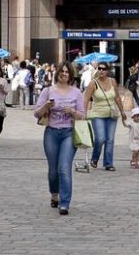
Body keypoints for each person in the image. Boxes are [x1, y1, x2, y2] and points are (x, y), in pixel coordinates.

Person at [35, 66, 86, 215]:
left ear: (70, 75)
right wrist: (46, 106)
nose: (64, 74)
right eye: (62, 71)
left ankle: (64, 203)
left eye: (67, 72)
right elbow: (36, 113)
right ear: (57, 74)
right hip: (51, 133)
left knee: (64, 168)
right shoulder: (47, 91)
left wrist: (72, 111)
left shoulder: (76, 93)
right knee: (53, 170)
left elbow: (82, 115)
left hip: (69, 133)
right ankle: (54, 194)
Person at [83, 63, 122, 171]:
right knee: (100, 139)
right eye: (99, 68)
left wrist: (122, 112)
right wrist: (84, 113)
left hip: (111, 114)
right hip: (97, 115)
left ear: (108, 71)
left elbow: (117, 97)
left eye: (103, 69)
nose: (101, 71)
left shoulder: (113, 81)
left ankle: (108, 163)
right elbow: (86, 98)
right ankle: (94, 159)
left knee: (110, 140)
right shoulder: (93, 83)